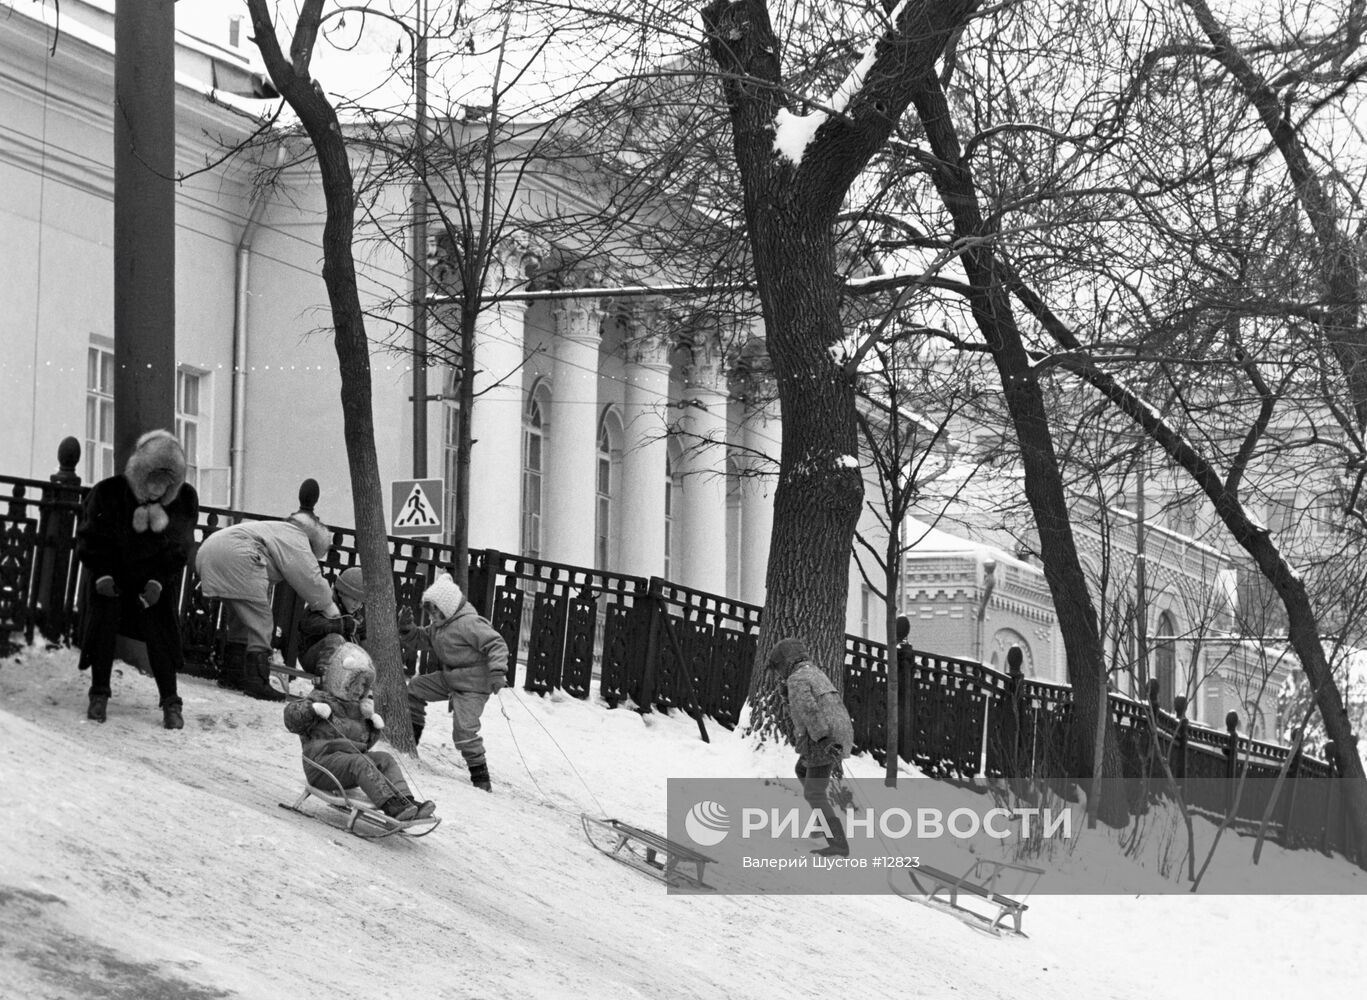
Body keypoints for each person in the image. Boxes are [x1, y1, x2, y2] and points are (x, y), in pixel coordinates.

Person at [76, 429, 199, 730]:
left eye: (166, 483)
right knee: (103, 619)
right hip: (112, 578)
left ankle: (171, 703)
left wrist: (157, 583)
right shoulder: (108, 494)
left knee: (162, 630)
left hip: (151, 584)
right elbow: (91, 540)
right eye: (153, 479)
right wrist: (102, 575)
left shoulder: (182, 501)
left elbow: (178, 548)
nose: (159, 489)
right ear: (140, 472)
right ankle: (99, 694)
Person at [195, 506, 341, 702]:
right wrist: (329, 608)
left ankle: (233, 673)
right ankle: (257, 683)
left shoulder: (276, 530)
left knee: (241, 617)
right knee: (262, 621)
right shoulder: (298, 539)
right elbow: (310, 578)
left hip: (208, 551)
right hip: (240, 556)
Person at [283, 641, 434, 821]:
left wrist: (372, 725)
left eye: (364, 685)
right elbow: (291, 720)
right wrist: (312, 709)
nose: (359, 690)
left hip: (349, 767)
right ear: (340, 679)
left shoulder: (357, 708)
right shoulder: (320, 698)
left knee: (385, 759)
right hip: (322, 767)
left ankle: (406, 801)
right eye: (354, 684)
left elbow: (364, 745)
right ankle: (392, 806)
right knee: (360, 762)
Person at [400, 572, 509, 791]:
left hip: (474, 685)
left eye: (435, 611)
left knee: (464, 731)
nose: (431, 616)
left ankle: (480, 778)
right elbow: (421, 639)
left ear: (448, 607)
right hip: (450, 678)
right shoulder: (440, 626)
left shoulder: (470, 623)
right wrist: (407, 629)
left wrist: (498, 671)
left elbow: (496, 644)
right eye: (429, 611)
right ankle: (411, 740)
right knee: (416, 688)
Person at [766, 636, 855, 857]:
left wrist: (823, 739)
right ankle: (820, 819)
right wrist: (788, 698)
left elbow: (809, 711)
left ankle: (838, 844)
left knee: (814, 793)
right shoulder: (814, 672)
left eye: (778, 668)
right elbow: (806, 705)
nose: (778, 674)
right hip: (839, 732)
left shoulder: (796, 679)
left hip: (823, 737)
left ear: (785, 662)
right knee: (802, 770)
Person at [297, 566, 366, 676]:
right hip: (313, 656)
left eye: (360, 602)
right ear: (341, 593)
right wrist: (340, 625)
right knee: (335, 640)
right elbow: (308, 624)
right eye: (354, 599)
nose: (357, 605)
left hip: (340, 661)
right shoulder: (325, 603)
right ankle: (325, 677)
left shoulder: (354, 616)